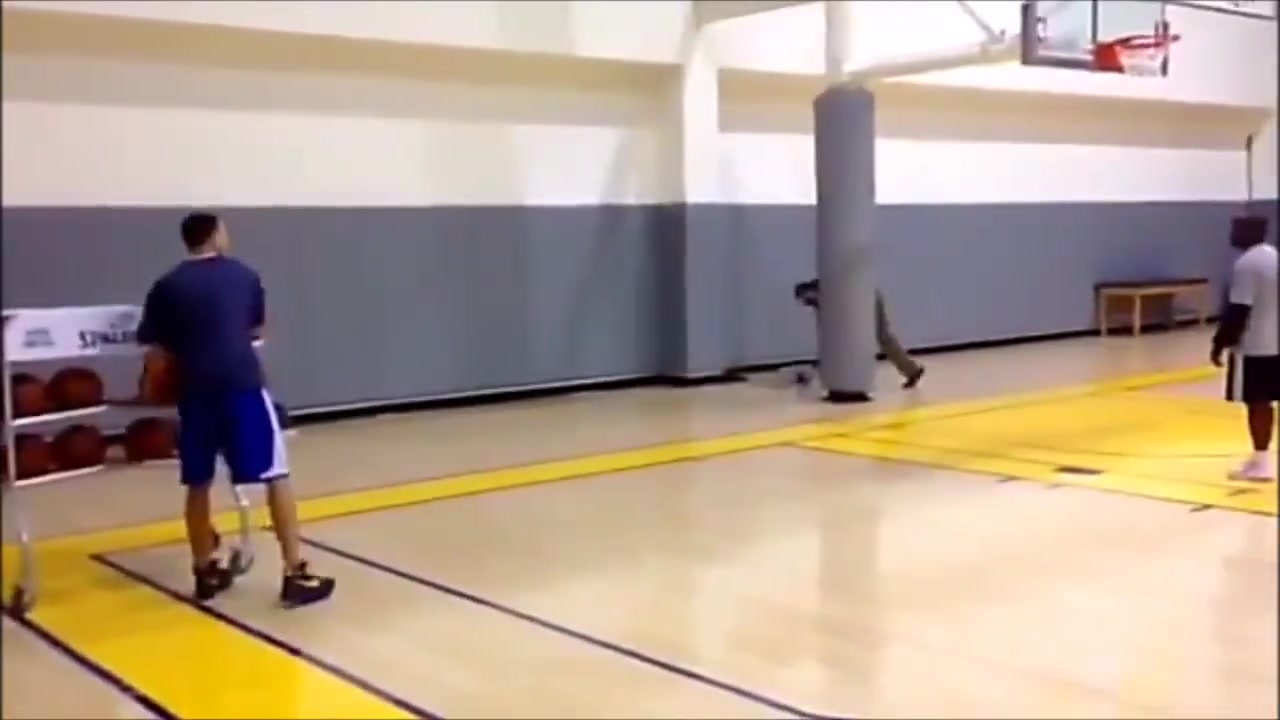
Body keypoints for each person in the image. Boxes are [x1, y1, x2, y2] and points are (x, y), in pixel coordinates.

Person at [137, 212, 336, 606]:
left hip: (194, 392)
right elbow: (255, 329)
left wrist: (150, 391)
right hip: (241, 386)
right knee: (276, 475)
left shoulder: (166, 285)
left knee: (198, 483)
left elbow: (157, 351)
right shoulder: (243, 275)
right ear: (215, 235)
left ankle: (204, 569)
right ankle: (295, 571)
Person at [1210, 215, 1278, 482]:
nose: (1232, 233)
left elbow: (1239, 308)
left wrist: (1220, 342)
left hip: (1254, 344)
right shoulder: (1273, 256)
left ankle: (1262, 463)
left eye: (1235, 229)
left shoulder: (1247, 264)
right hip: (1275, 341)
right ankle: (1261, 458)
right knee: (1266, 401)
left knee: (1256, 402)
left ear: (1249, 231)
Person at [793, 279, 926, 389]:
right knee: (880, 339)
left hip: (867, 298)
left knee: (883, 338)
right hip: (863, 297)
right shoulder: (821, 300)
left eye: (805, 299)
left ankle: (911, 370)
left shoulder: (829, 293)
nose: (806, 304)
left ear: (811, 291)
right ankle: (911, 370)